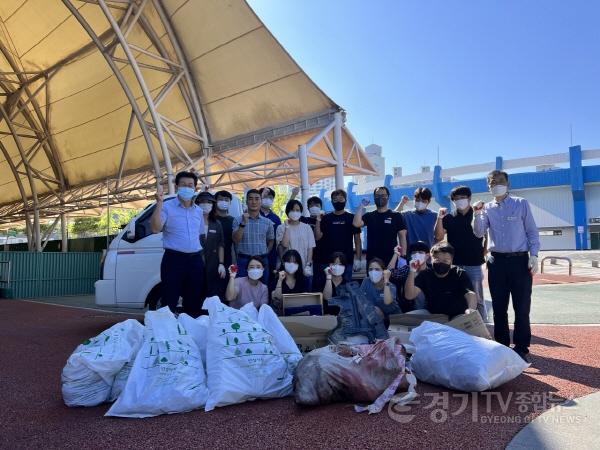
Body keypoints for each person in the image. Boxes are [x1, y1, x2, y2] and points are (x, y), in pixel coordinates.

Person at [473, 170, 540, 362]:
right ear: (488, 186)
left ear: (508, 183)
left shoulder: (521, 204)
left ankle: (521, 348)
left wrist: (534, 255)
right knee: (499, 307)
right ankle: (502, 346)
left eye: (500, 181)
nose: (497, 184)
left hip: (520, 261)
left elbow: (532, 233)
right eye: (493, 182)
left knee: (522, 307)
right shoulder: (486, 208)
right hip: (497, 262)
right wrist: (477, 214)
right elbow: (479, 233)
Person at [150, 171, 204, 316]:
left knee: (194, 300)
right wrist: (159, 203)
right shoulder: (167, 206)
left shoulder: (198, 211)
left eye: (190, 185)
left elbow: (199, 234)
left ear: (195, 188)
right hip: (173, 260)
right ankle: (166, 334)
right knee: (169, 299)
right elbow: (155, 228)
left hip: (195, 260)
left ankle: (189, 332)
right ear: (177, 186)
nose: (187, 188)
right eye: (183, 185)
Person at [435, 185, 487, 319]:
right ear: (452, 201)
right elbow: (439, 237)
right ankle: (461, 323)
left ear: (469, 198)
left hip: (474, 263)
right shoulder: (448, 218)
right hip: (455, 264)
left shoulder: (477, 214)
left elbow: (487, 235)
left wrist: (484, 252)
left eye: (463, 197)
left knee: (477, 296)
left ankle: (483, 323)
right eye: (456, 198)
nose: (460, 200)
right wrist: (439, 218)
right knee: (457, 295)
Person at [404, 242, 478, 319]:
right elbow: (409, 295)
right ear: (431, 259)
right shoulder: (425, 275)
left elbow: (470, 294)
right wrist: (412, 271)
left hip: (457, 315)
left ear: (451, 261)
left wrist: (471, 309)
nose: (441, 263)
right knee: (407, 318)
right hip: (434, 315)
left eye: (445, 260)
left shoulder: (459, 273)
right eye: (437, 260)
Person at [315, 189, 362, 288]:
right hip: (328, 261)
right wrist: (318, 220)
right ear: (331, 202)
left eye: (341, 198)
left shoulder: (352, 218)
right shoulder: (326, 218)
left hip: (347, 261)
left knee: (346, 290)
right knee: (327, 288)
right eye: (335, 199)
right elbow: (317, 237)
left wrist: (358, 259)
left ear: (345, 200)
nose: (338, 201)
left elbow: (357, 240)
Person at [353, 186, 407, 266]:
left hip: (391, 260)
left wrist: (403, 256)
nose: (380, 197)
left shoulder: (396, 215)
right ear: (374, 198)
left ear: (388, 197)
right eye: (377, 196)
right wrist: (361, 205)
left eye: (383, 195)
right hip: (372, 260)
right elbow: (356, 223)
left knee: (389, 278)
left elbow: (402, 237)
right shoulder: (369, 216)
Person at [232, 189, 274, 284]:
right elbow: (235, 240)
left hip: (262, 260)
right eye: (250, 199)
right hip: (244, 261)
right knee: (242, 291)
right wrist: (243, 223)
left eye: (257, 199)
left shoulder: (267, 222)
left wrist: (266, 252)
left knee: (263, 290)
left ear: (261, 201)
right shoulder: (237, 220)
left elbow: (271, 240)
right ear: (246, 201)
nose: (254, 202)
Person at [276, 200, 315, 286]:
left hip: (304, 267)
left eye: (297, 210)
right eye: (292, 210)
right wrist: (287, 227)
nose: (295, 212)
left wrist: (308, 264)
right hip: (288, 267)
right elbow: (284, 245)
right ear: (287, 211)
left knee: (305, 293)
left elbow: (310, 248)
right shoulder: (281, 228)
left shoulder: (307, 227)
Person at [195, 192, 226, 298]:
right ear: (197, 204)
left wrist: (221, 263)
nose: (206, 204)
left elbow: (220, 244)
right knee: (196, 291)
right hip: (195, 261)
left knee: (212, 292)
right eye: (202, 202)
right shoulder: (193, 221)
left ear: (213, 205)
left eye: (209, 202)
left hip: (213, 262)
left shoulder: (216, 223)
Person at [387, 241, 430, 312]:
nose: (417, 255)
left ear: (427, 256)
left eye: (420, 252)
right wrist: (395, 254)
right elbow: (389, 273)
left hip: (428, 311)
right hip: (408, 310)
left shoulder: (431, 271)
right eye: (414, 253)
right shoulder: (407, 269)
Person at [359, 257, 401, 326]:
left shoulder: (391, 286)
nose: (373, 272)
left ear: (383, 272)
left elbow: (387, 302)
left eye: (377, 269)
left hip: (394, 320)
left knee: (375, 310)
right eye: (370, 269)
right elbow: (360, 299)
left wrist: (386, 280)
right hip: (375, 320)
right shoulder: (366, 281)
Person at [271, 249, 307, 315]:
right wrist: (280, 280)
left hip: (300, 314)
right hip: (281, 314)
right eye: (289, 262)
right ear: (284, 262)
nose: (291, 264)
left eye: (295, 262)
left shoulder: (303, 280)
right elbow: (276, 299)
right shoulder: (277, 278)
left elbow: (306, 299)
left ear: (299, 265)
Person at [259, 187, 281, 286]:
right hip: (255, 257)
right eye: (265, 196)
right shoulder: (253, 214)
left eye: (270, 197)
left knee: (269, 285)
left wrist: (278, 259)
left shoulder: (276, 218)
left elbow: (278, 240)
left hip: (271, 257)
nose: (268, 199)